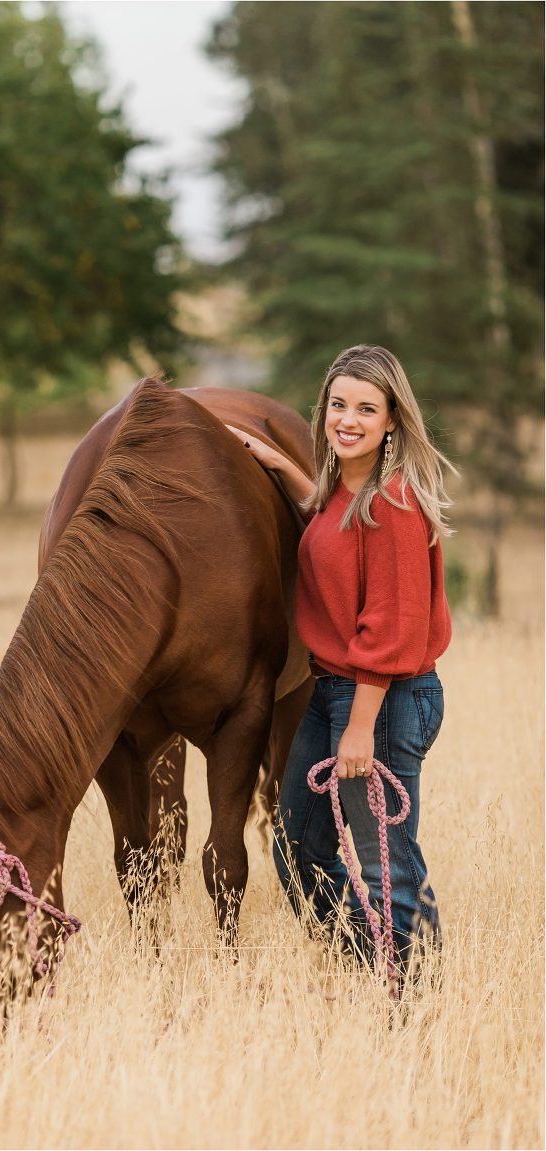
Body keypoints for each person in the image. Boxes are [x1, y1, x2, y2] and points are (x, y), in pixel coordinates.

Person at [227, 344, 456, 979]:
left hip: (382, 698)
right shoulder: (344, 493)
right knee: (297, 844)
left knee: (384, 859)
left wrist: (360, 727)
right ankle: (370, 964)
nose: (347, 419)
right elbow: (330, 525)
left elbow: (389, 627)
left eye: (366, 408)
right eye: (337, 404)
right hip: (336, 692)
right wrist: (277, 461)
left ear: (392, 421)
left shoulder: (394, 504)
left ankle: (409, 995)